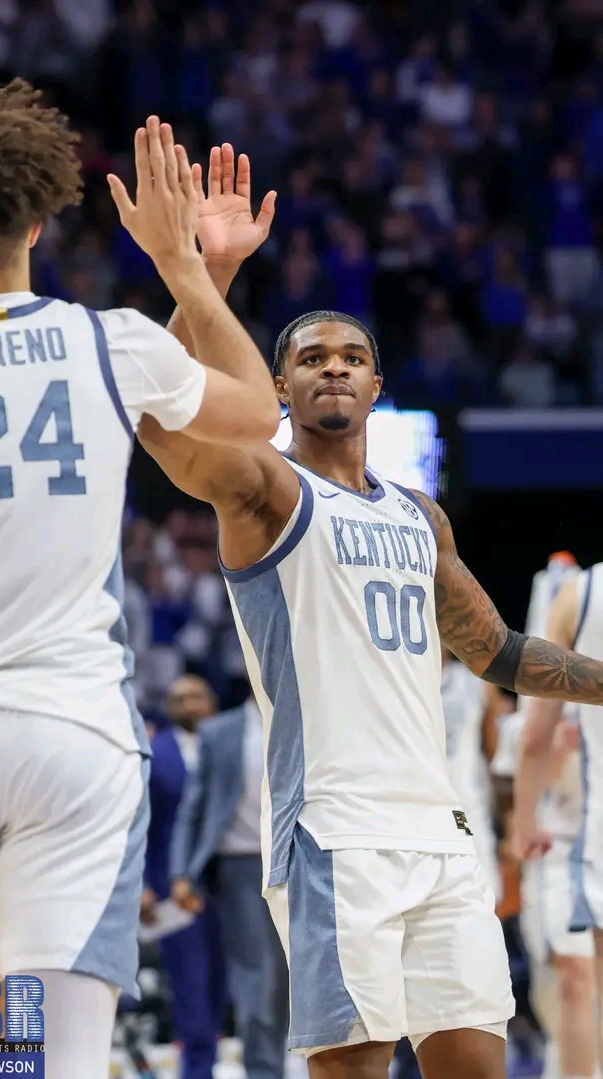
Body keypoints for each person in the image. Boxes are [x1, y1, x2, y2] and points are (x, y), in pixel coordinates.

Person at [135, 143, 603, 1079]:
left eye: (353, 358)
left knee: (477, 1064)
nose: (335, 369)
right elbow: (159, 423)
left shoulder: (419, 516)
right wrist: (206, 277)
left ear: (377, 387)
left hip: (440, 831)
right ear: (279, 387)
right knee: (352, 1066)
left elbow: (498, 650)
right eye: (312, 358)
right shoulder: (269, 491)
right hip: (333, 832)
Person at [0, 85, 279, 1079]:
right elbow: (255, 410)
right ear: (37, 223)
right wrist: (192, 272)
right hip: (74, 735)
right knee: (63, 1056)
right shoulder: (109, 340)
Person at [169, 686, 289, 1079]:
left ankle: (296, 1062)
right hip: (240, 867)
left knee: (291, 977)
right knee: (258, 976)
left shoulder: (305, 719)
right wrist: (181, 872)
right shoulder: (219, 731)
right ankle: (264, 1071)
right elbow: (193, 807)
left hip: (298, 864)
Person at [513, 562, 603, 1079]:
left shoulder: (580, 597)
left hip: (583, 840)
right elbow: (533, 737)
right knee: (575, 978)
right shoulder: (576, 597)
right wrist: (525, 820)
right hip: (573, 837)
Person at [142, 676, 226, 1079]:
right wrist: (142, 883)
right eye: (179, 699)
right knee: (190, 986)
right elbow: (140, 822)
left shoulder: (233, 745)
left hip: (230, 885)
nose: (189, 704)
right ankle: (197, 1071)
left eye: (196, 696)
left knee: (228, 985)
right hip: (172, 889)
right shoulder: (154, 753)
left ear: (212, 702)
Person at [441, 647, 503, 900]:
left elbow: (493, 752)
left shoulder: (478, 683)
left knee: (484, 894)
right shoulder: (399, 683)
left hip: (467, 807)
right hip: (417, 806)